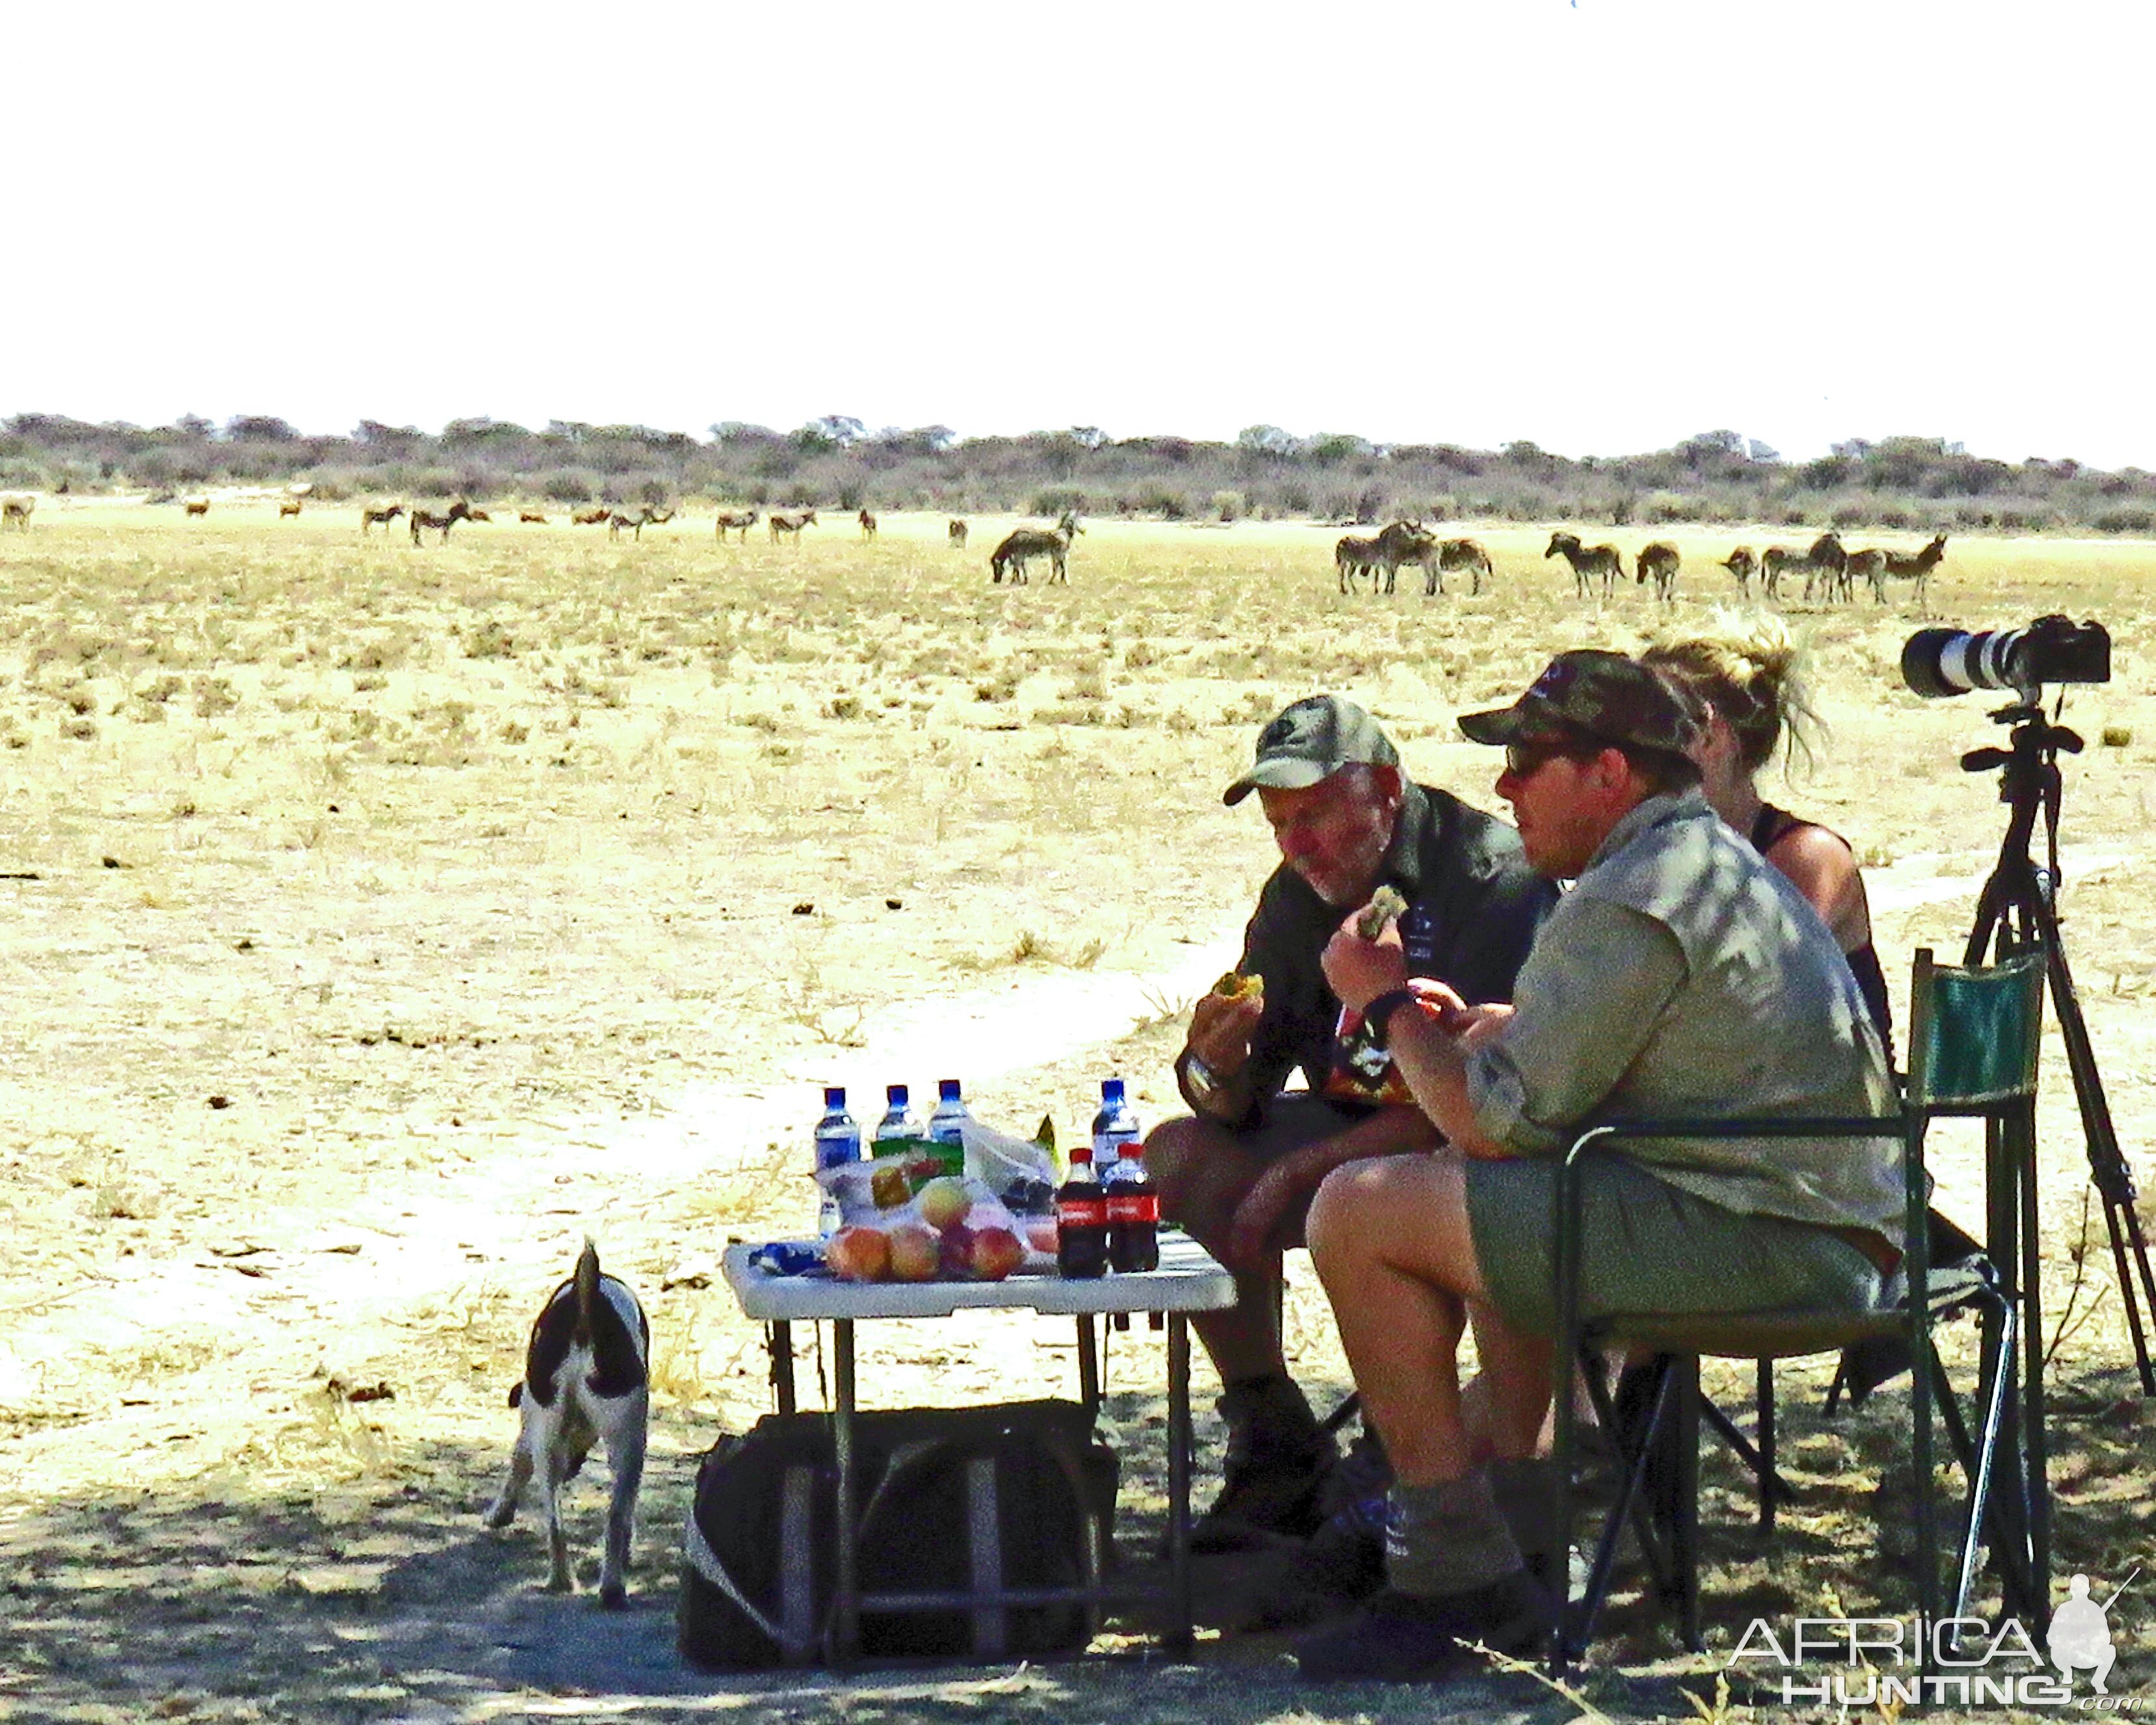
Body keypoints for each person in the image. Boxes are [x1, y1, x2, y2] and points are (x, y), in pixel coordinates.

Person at [1292, 649, 1903, 1683]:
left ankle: (1450, 1575)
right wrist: (1496, 1034)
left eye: (1529, 761)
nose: (1502, 787)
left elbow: (1493, 1125)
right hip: (1806, 1227)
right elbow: (1584, 1078)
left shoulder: (1630, 892)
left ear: (1608, 774)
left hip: (1766, 1245)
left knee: (1357, 1210)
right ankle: (1520, 1534)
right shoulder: (1694, 861)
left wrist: (1387, 1004)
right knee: (1486, 1207)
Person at [1144, 694, 1555, 1549]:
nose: (1298, 844)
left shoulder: (1489, 877)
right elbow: (1236, 1098)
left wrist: (1302, 1170)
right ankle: (1271, 1435)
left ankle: (1402, 1460)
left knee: (1369, 1190)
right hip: (1345, 1126)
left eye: (1317, 816)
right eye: (1279, 824)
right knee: (1177, 1158)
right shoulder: (1298, 896)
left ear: (1384, 792)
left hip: (1461, 1144)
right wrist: (1208, 1067)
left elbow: (1489, 1105)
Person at [1640, 615, 1893, 1054]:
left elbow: (1747, 995)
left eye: (1648, 726)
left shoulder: (1806, 857)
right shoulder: (1661, 845)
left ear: (1708, 736)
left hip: (1821, 1113)